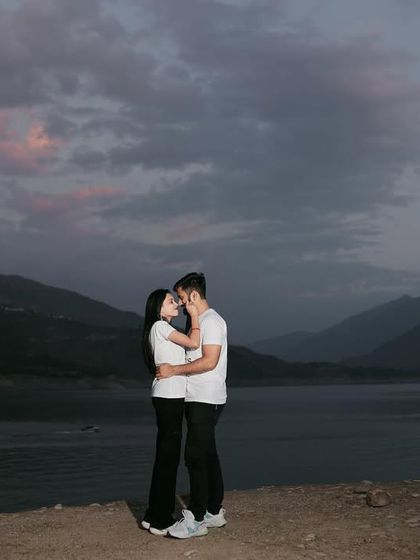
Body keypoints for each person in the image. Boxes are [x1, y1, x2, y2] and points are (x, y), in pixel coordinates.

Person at [156, 272, 228, 539]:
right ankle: (214, 511)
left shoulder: (212, 322)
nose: (182, 303)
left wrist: (173, 370)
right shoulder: (200, 322)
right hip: (199, 398)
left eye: (184, 298)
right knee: (207, 454)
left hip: (206, 398)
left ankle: (196, 518)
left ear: (195, 296)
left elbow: (209, 361)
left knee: (194, 456)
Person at [141, 288, 201, 536]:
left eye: (176, 300)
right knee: (169, 459)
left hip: (168, 396)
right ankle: (161, 521)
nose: (176, 303)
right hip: (169, 398)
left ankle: (152, 514)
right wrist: (195, 314)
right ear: (159, 308)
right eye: (171, 301)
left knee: (165, 458)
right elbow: (194, 342)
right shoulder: (160, 326)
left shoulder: (162, 329)